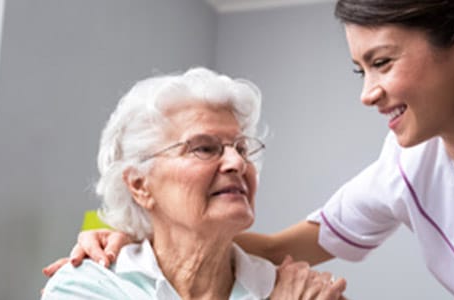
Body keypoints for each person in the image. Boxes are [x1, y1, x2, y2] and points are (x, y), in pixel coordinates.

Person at [45, 0, 454, 298]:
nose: (369, 94)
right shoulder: (405, 168)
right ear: (139, 183)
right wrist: (128, 236)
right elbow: (273, 245)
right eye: (204, 148)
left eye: (381, 63)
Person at [41, 67, 346, 299]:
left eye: (241, 148)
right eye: (203, 148)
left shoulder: (299, 290)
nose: (237, 163)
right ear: (139, 185)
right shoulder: (87, 286)